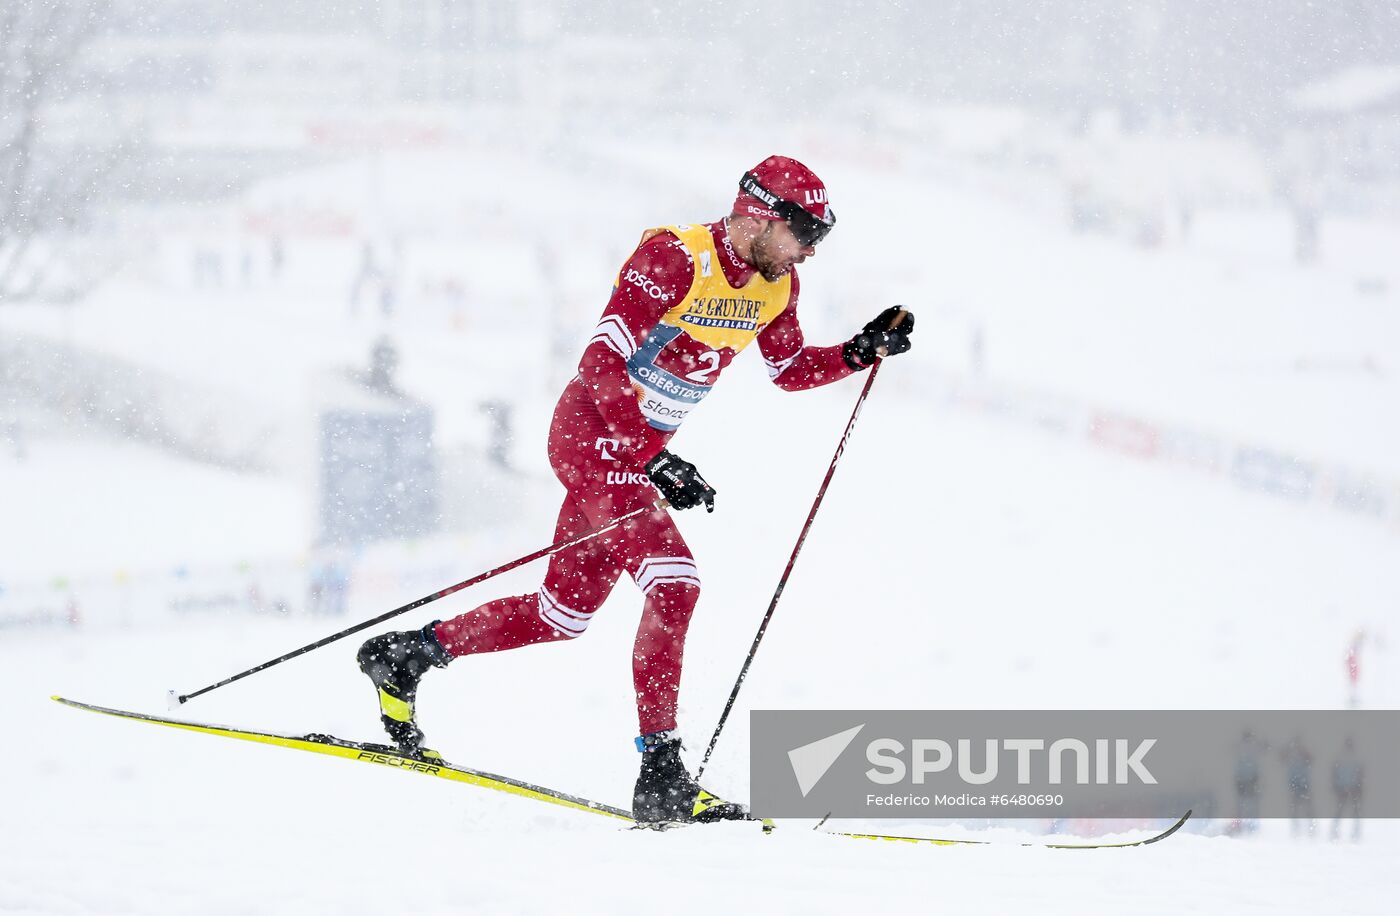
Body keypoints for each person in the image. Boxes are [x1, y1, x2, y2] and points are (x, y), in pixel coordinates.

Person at [356, 156, 915, 824]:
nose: (811, 251)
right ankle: (661, 773)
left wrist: (862, 348)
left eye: (819, 238)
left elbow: (790, 370)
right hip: (592, 434)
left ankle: (407, 655)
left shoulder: (777, 288)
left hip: (635, 451)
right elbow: (600, 361)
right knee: (674, 583)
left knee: (560, 616)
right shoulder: (674, 258)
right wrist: (654, 458)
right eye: (805, 233)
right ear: (762, 214)